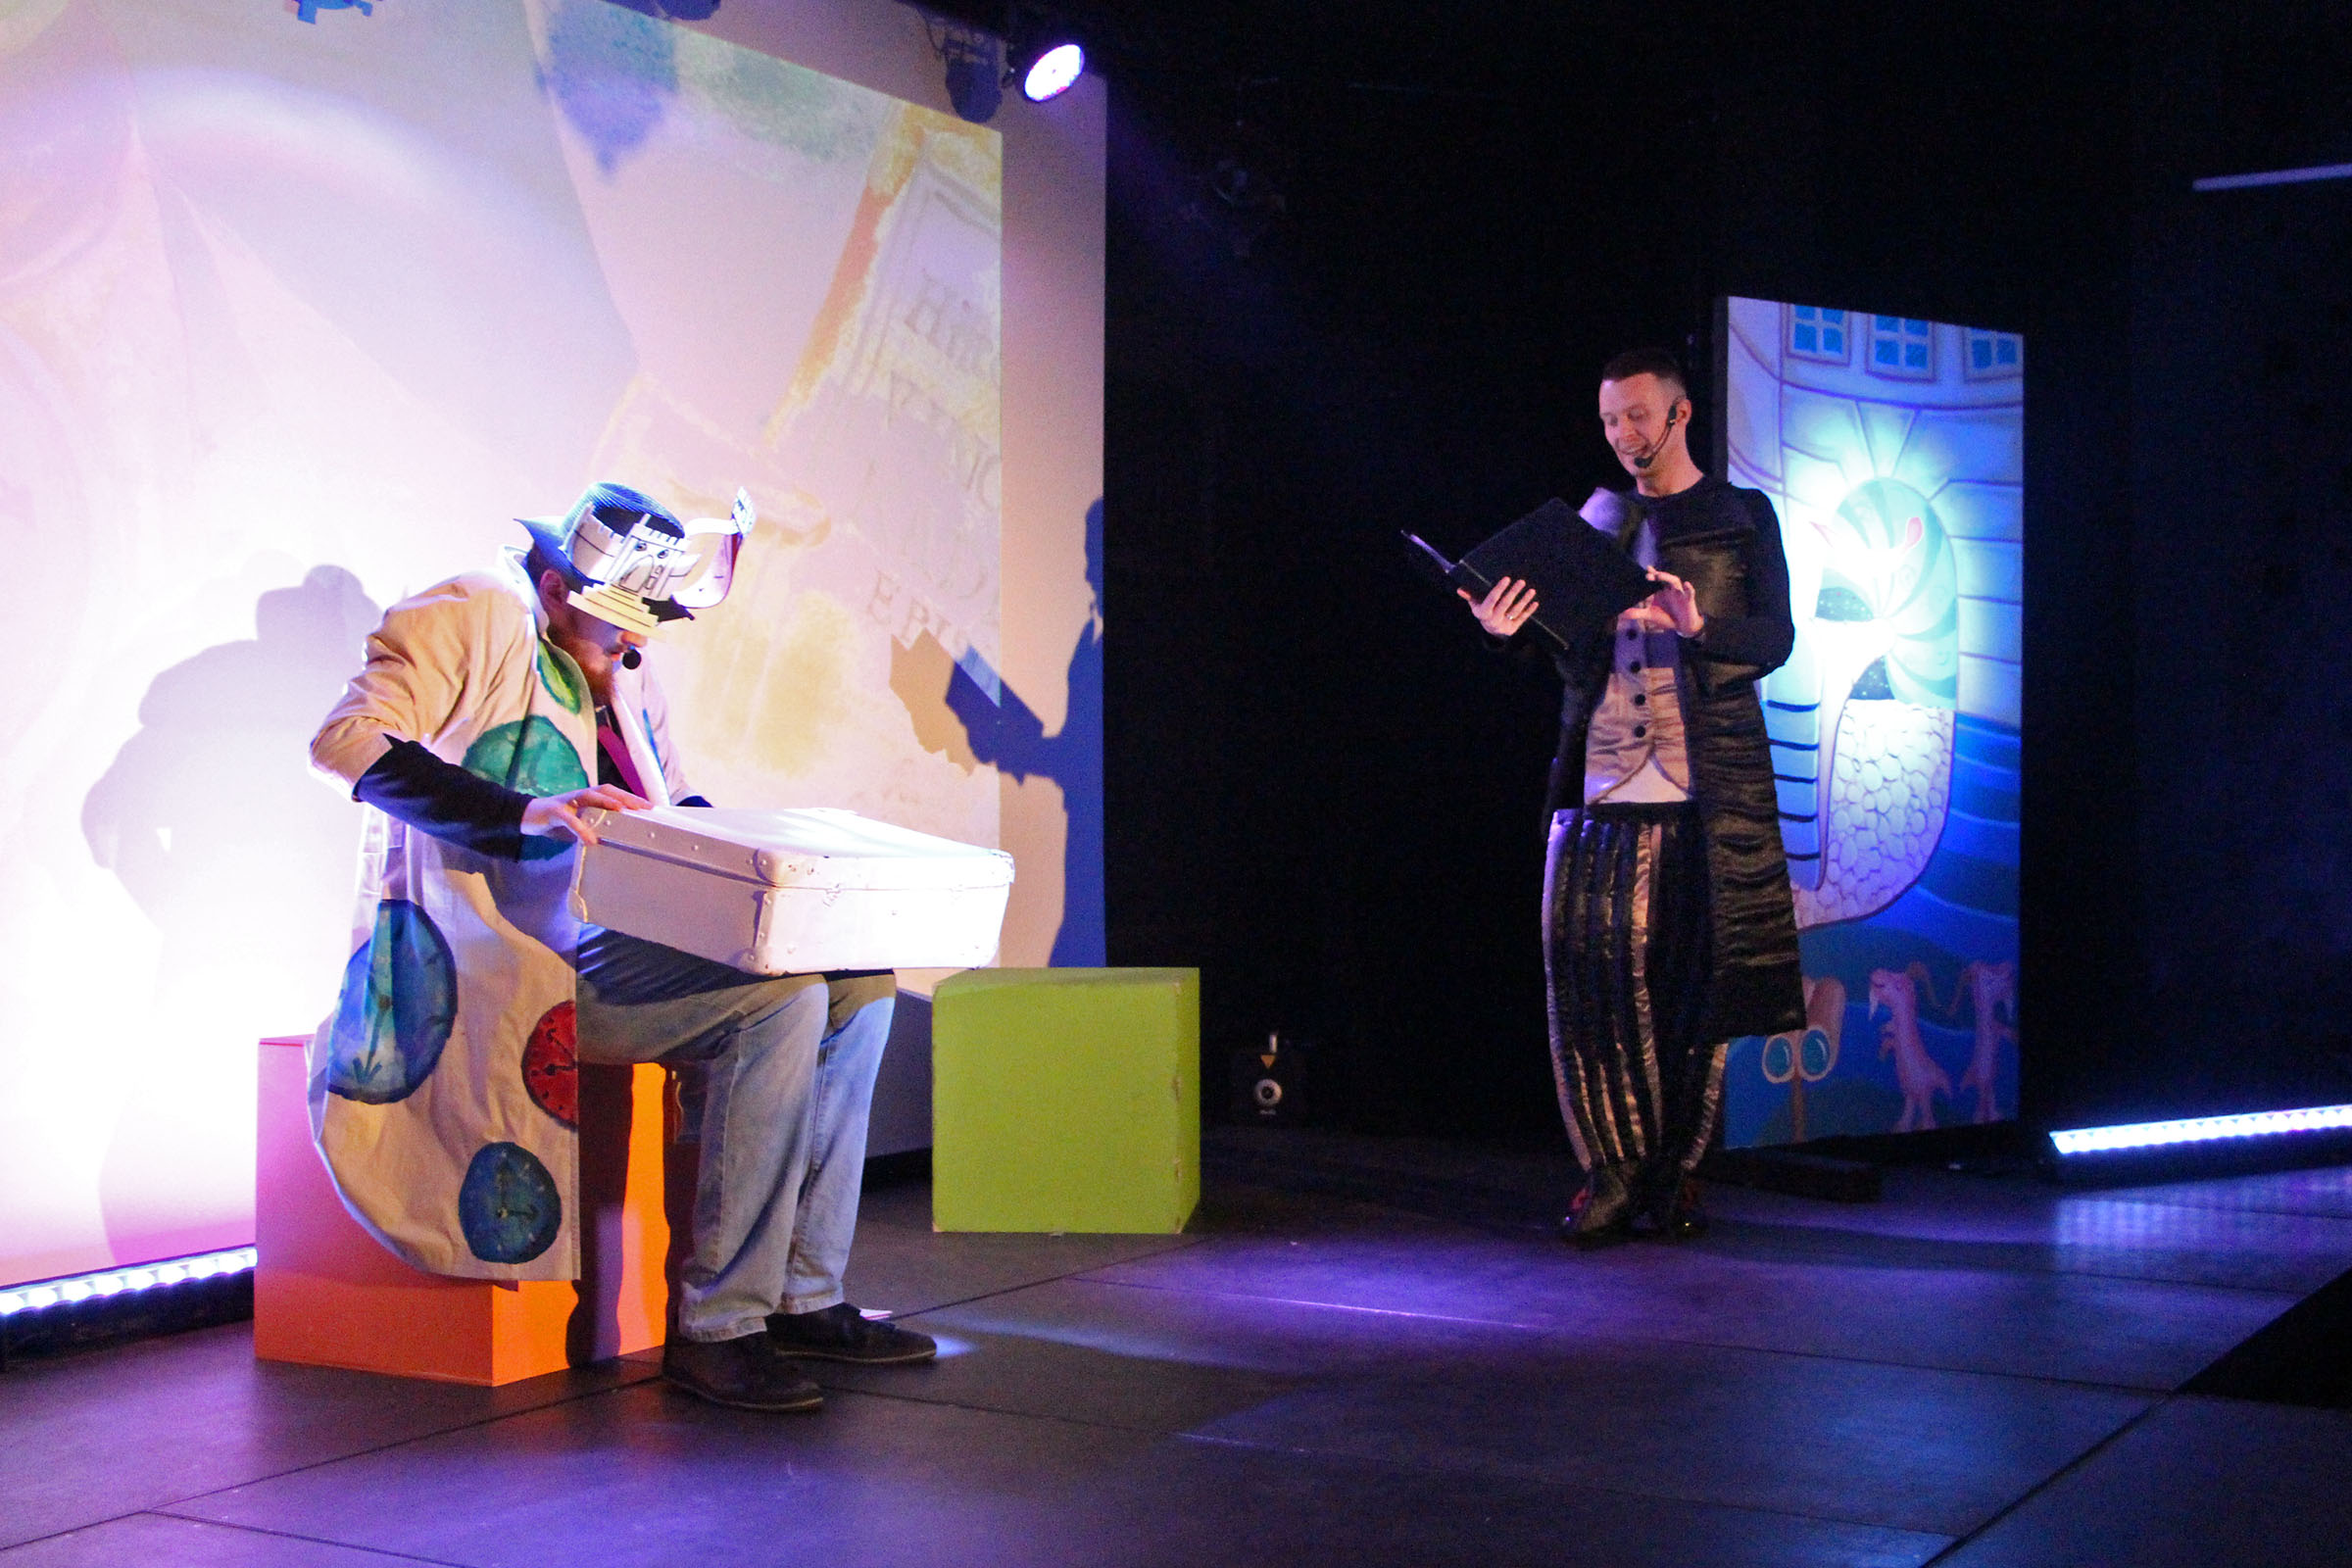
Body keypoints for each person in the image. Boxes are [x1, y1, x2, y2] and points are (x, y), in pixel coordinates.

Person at [308, 481, 933, 1411]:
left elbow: (672, 812)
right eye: (619, 627)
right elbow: (346, 742)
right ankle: (719, 1325)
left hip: (618, 942)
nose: (633, 648)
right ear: (557, 589)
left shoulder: (623, 671)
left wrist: (783, 862)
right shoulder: (475, 612)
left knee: (859, 983)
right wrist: (524, 812)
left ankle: (803, 1295)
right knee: (782, 999)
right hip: (515, 956)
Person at [1461, 349, 1804, 1245]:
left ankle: (1676, 1174)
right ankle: (1611, 1172)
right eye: (1610, 419)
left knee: (1696, 984)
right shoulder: (1595, 520)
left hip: (1707, 785)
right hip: (1602, 780)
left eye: (1637, 416)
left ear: (1679, 415)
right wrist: (1504, 630)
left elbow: (1775, 638)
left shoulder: (1739, 516)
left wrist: (1700, 626)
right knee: (1590, 981)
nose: (1622, 434)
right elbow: (1555, 645)